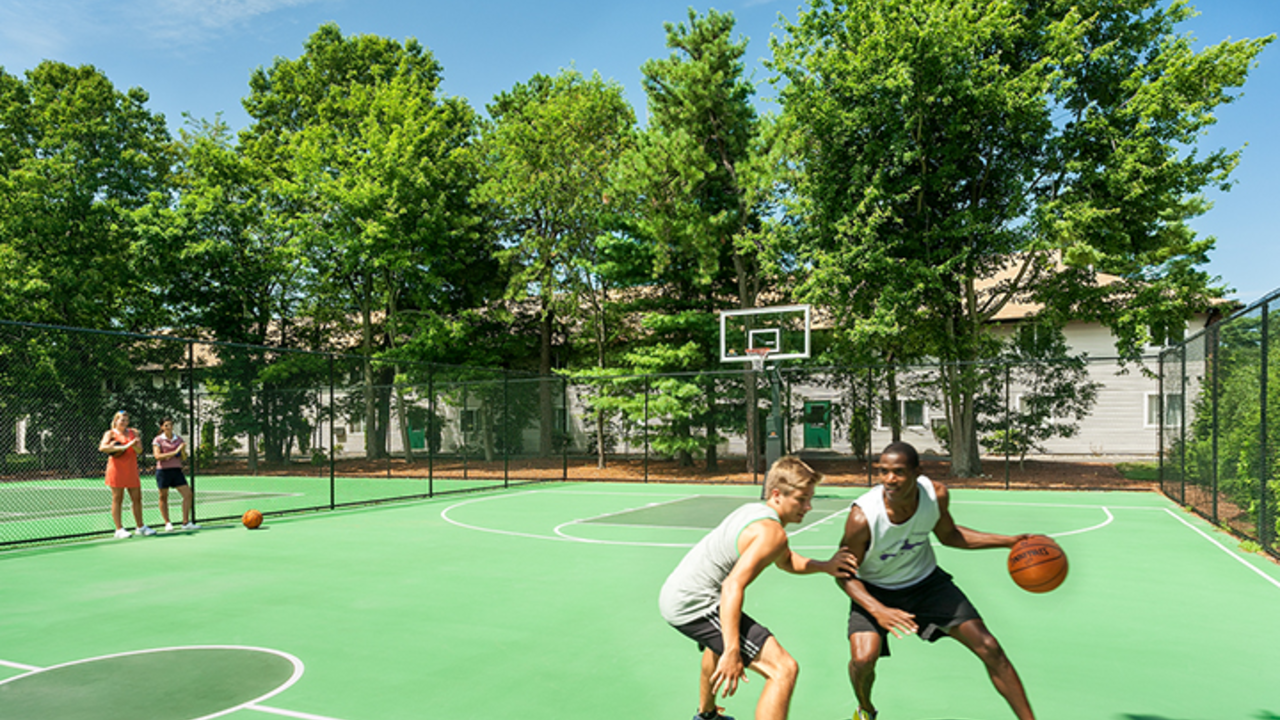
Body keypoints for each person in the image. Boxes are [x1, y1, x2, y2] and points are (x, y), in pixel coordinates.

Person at [836, 442, 1036, 720]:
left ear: (917, 472)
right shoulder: (863, 517)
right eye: (883, 471)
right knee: (862, 659)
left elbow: (949, 535)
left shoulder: (935, 494)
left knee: (989, 647)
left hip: (927, 585)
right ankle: (866, 709)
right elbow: (843, 573)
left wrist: (1008, 542)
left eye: (898, 472)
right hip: (874, 591)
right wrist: (878, 610)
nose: (889, 479)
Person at [659, 456, 858, 720]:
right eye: (801, 499)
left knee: (716, 640)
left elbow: (786, 561)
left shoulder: (754, 512)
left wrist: (825, 565)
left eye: (810, 498)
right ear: (777, 494)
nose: (808, 506)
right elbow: (732, 585)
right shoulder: (772, 533)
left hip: (680, 594)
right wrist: (732, 651)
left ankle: (706, 715)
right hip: (694, 604)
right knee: (783, 669)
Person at [98, 411, 155, 539]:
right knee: (118, 498)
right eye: (122, 420)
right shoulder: (110, 433)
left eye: (126, 420)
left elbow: (139, 450)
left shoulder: (133, 433)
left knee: (137, 498)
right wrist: (121, 448)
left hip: (131, 469)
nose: (124, 422)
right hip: (116, 469)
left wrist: (133, 445)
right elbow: (102, 447)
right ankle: (119, 529)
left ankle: (140, 527)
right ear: (116, 421)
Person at [153, 418, 198, 532]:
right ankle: (167, 523)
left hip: (176, 470)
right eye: (166, 425)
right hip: (163, 471)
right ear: (162, 427)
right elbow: (157, 456)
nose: (169, 427)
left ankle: (185, 522)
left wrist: (182, 450)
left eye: (171, 425)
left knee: (188, 494)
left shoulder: (178, 439)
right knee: (163, 497)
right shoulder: (158, 440)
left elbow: (183, 457)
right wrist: (174, 451)